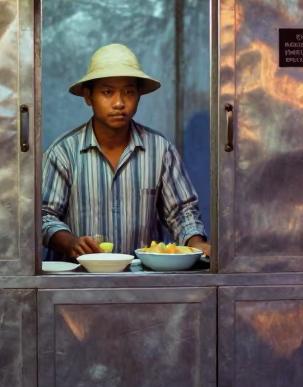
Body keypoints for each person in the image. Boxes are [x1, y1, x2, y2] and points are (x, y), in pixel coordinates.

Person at [42, 43, 210, 259]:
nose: (119, 102)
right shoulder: (63, 152)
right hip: (78, 279)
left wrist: (198, 244)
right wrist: (70, 242)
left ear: (139, 95)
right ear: (89, 97)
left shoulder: (160, 150)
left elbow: (181, 213)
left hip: (141, 280)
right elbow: (44, 216)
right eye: (107, 92)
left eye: (129, 92)